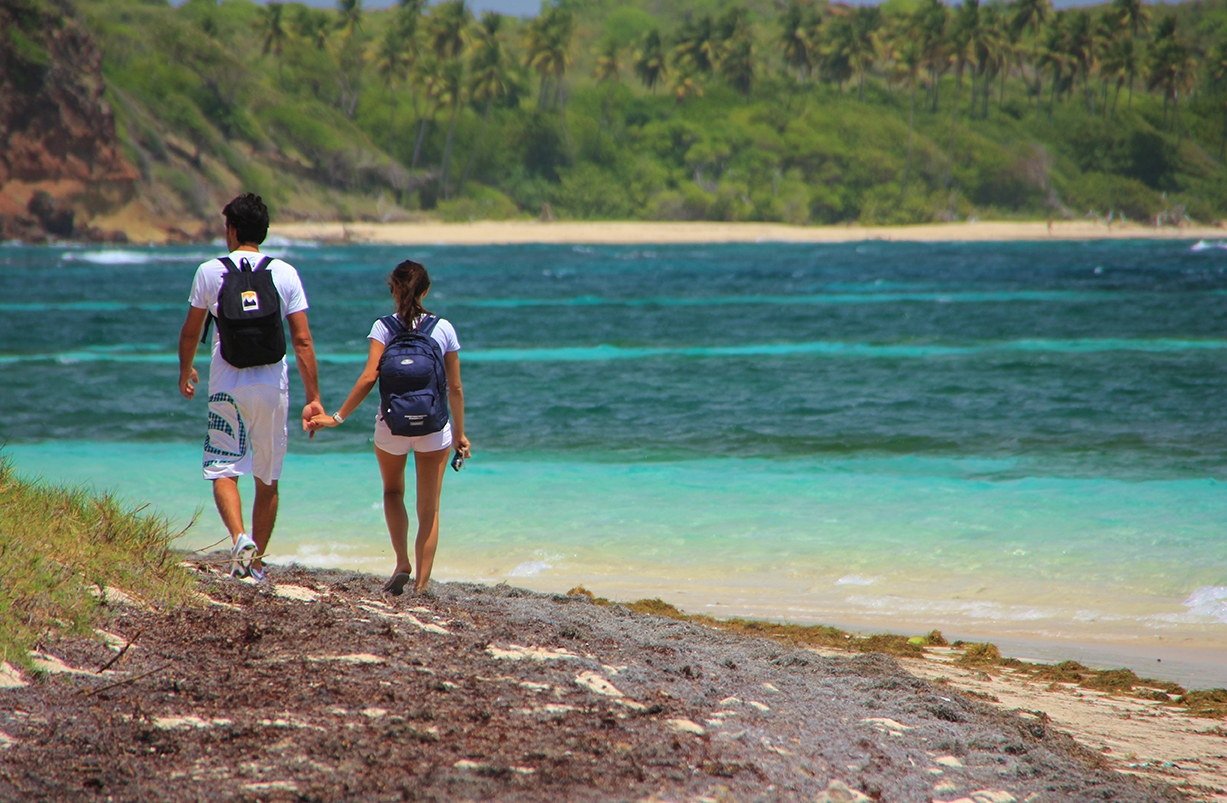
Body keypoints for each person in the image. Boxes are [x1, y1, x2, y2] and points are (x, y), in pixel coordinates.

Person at [177, 193, 323, 580]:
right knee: (268, 476)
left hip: (227, 382)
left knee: (223, 468)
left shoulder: (210, 271)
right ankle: (255, 564)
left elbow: (192, 331)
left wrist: (185, 370)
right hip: (273, 384)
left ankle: (240, 538)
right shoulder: (285, 272)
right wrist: (314, 399)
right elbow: (303, 340)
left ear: (233, 229)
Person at [309, 260, 470, 596]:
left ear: (393, 290)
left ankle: (401, 563)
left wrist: (337, 418)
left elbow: (370, 376)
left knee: (393, 492)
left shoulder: (382, 327)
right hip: (434, 426)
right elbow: (454, 388)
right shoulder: (443, 329)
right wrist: (460, 434)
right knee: (430, 508)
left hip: (391, 426)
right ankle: (422, 586)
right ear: (426, 290)